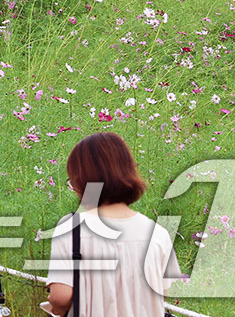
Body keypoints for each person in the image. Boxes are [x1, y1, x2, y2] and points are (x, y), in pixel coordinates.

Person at [42, 132, 183, 317]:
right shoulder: (157, 233)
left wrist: (57, 309)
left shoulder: (72, 229)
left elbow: (61, 296)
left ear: (82, 181)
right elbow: (163, 292)